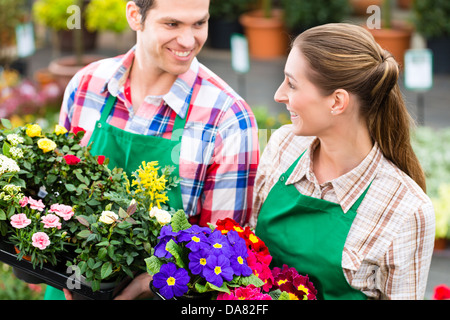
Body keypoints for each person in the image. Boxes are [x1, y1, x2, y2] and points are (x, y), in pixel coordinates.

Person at [46, 0, 259, 300]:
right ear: (135, 16)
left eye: (199, 23)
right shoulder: (87, 85)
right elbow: (55, 193)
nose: (188, 41)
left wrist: (148, 282)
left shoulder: (227, 118)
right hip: (68, 285)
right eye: (172, 24)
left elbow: (223, 250)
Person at [250, 23, 435, 300]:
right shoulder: (283, 146)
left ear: (337, 101)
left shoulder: (406, 210)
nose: (279, 95)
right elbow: (250, 254)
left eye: (292, 84)